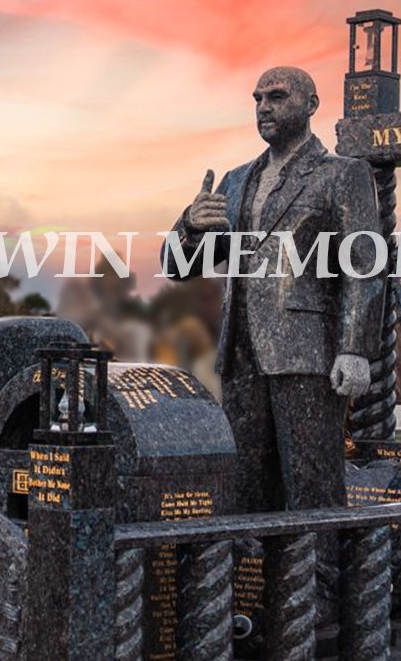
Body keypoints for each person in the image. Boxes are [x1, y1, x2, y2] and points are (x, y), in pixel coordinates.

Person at [163, 66, 384, 512]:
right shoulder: (236, 180)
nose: (264, 107)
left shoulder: (342, 175)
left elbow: (365, 266)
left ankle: (318, 583)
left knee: (311, 488)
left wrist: (355, 348)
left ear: (311, 105)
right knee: (245, 490)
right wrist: (190, 225)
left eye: (277, 97)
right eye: (258, 99)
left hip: (307, 356)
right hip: (241, 356)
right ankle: (252, 581)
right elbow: (180, 268)